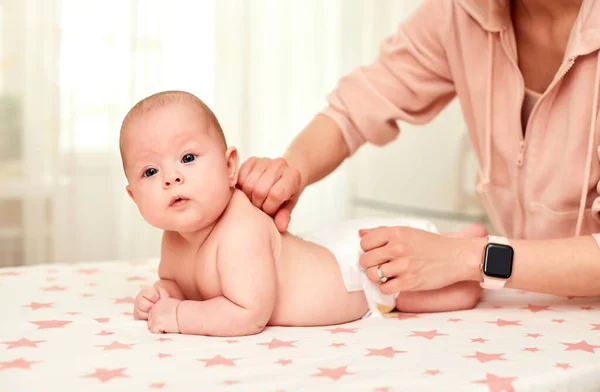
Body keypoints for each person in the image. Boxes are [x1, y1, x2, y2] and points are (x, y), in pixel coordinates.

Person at [237, 0, 600, 297]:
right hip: (531, 304)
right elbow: (355, 108)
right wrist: (288, 173)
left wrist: (465, 258)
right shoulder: (461, 12)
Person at [120, 91, 481, 336]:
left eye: (187, 158)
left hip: (355, 276)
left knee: (434, 294)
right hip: (318, 254)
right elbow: (180, 284)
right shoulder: (174, 237)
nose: (171, 177)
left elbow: (248, 313)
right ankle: (453, 242)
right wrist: (162, 296)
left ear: (231, 167)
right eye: (150, 172)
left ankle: (464, 250)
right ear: (135, 198)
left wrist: (180, 317)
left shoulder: (239, 229)